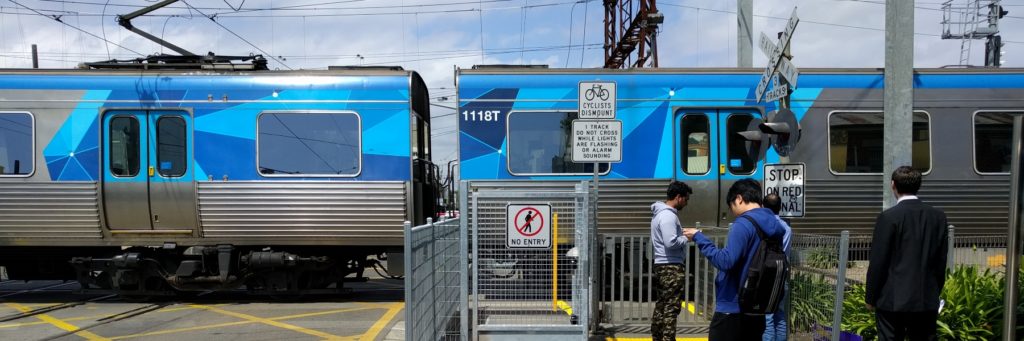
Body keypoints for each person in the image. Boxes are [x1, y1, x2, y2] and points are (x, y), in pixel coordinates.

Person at [683, 179, 786, 341]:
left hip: (732, 308)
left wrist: (699, 237)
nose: (732, 211)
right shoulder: (776, 225)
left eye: (731, 206)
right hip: (756, 309)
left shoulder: (744, 223)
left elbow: (726, 261)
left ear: (739, 199)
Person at [866, 166, 948, 341]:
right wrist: (934, 291)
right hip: (925, 299)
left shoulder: (888, 217)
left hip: (892, 300)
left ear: (893, 185)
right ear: (919, 185)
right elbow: (941, 261)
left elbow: (878, 261)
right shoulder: (938, 217)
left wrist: (871, 297)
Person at [650, 181, 693, 341]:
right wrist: (687, 237)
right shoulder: (668, 216)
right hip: (671, 267)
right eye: (686, 199)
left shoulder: (660, 214)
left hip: (662, 264)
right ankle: (667, 338)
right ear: (678, 197)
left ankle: (657, 337)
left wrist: (679, 234)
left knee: (662, 304)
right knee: (671, 307)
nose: (686, 203)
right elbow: (671, 242)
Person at [761, 193, 792, 341]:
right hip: (782, 274)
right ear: (780, 207)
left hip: (767, 275)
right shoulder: (786, 227)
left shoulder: (766, 225)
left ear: (763, 207)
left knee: (767, 316)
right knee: (779, 315)